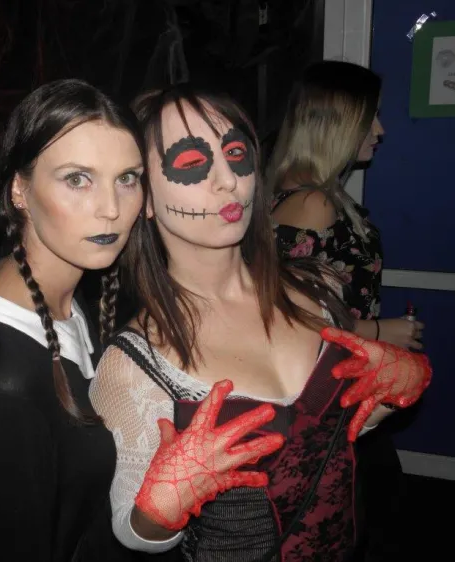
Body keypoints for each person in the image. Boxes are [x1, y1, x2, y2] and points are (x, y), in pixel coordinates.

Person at [89, 84, 432, 561]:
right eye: (192, 162)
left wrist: (392, 394)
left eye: (235, 154)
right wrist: (164, 507)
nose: (228, 180)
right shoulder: (133, 365)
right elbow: (132, 531)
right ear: (143, 196)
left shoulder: (315, 289)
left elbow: (338, 435)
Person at [0, 78, 146, 562]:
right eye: (77, 179)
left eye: (127, 178)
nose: (111, 209)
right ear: (19, 190)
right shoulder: (3, 386)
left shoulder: (62, 290)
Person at [267, 60, 421, 559]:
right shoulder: (311, 201)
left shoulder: (315, 193)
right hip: (331, 384)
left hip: (346, 377)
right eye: (369, 117)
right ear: (334, 124)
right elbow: (284, 316)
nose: (380, 129)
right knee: (369, 516)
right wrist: (376, 329)